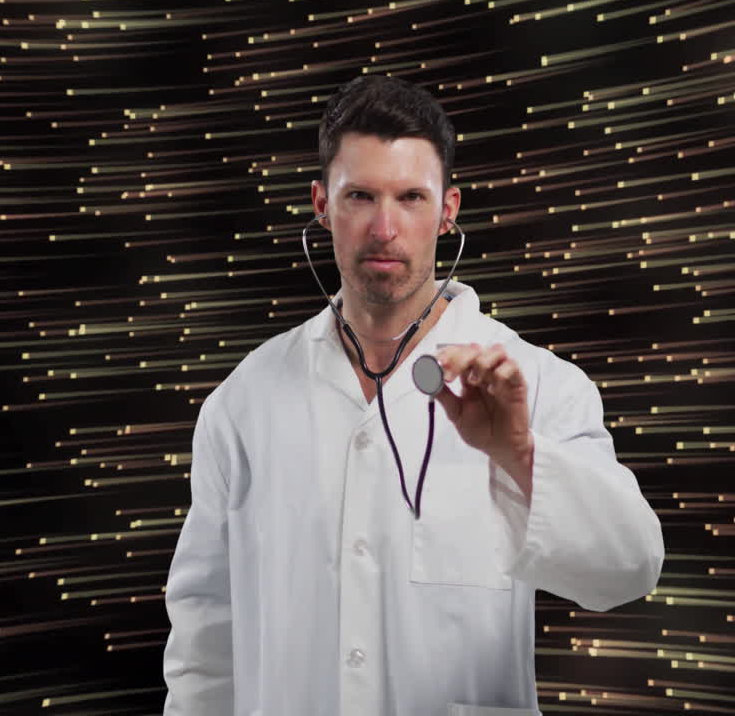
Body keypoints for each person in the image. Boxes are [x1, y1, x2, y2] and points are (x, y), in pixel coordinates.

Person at [161, 74, 665, 716]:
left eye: (411, 197)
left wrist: (518, 453)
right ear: (321, 204)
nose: (385, 227)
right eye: (361, 196)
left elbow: (629, 568)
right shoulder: (244, 403)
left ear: (448, 209)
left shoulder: (536, 385)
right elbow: (206, 639)